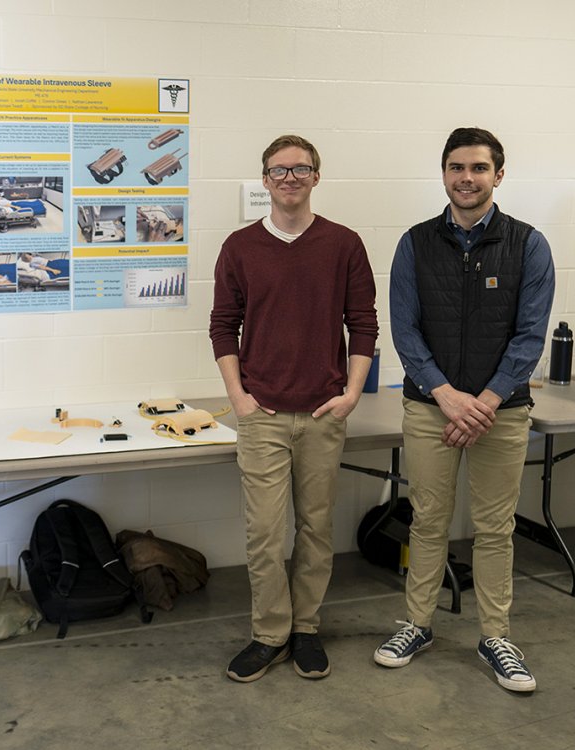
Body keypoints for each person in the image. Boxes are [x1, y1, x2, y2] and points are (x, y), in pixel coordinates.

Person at [375, 127, 554, 693]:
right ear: (444, 174)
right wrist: (447, 396)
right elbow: (404, 330)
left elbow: (530, 337)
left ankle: (495, 635)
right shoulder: (414, 242)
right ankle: (417, 624)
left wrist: (487, 401)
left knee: (495, 529)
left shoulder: (529, 244)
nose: (467, 178)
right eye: (457, 167)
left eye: (479, 168)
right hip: (432, 409)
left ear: (498, 175)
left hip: (501, 411)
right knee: (427, 521)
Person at [209, 134, 378, 682]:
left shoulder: (344, 243)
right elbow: (222, 326)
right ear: (264, 180)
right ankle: (269, 634)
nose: (289, 178)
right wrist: (239, 399)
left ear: (316, 177)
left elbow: (364, 324)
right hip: (262, 417)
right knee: (264, 533)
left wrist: (351, 394)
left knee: (317, 529)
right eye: (279, 170)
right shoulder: (239, 247)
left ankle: (305, 628)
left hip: (323, 415)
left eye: (300, 169)